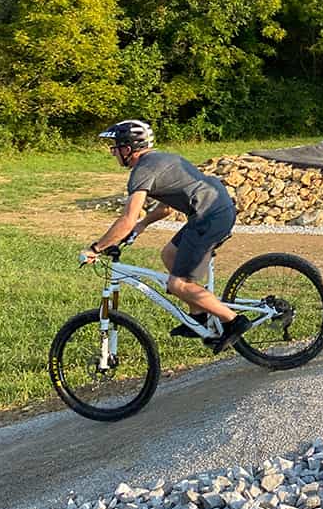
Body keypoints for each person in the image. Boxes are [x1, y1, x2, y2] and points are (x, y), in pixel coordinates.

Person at [83, 119, 247, 353]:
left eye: (115, 148)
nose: (113, 153)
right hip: (212, 210)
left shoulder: (143, 170)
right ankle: (199, 315)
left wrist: (96, 248)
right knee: (169, 254)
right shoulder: (159, 159)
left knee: (178, 284)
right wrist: (142, 225)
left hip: (210, 216)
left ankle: (233, 321)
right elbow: (166, 208)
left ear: (128, 148)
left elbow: (126, 219)